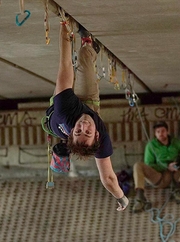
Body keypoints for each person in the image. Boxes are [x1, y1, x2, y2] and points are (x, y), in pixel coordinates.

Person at [42, 20, 128, 211]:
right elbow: (108, 177)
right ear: (97, 135)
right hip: (88, 104)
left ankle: (63, 151)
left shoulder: (65, 111)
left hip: (59, 112)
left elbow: (64, 66)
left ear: (71, 132)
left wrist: (65, 27)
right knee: (84, 58)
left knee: (72, 68)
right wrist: (122, 199)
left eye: (78, 130)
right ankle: (89, 44)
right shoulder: (102, 138)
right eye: (87, 132)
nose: (84, 125)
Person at [132, 121, 180, 213]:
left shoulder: (176, 142)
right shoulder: (151, 146)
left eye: (163, 131)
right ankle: (140, 198)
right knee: (137, 165)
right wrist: (166, 166)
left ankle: (178, 189)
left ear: (167, 132)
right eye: (158, 132)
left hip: (176, 176)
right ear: (155, 134)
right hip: (160, 177)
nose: (161, 134)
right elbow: (149, 165)